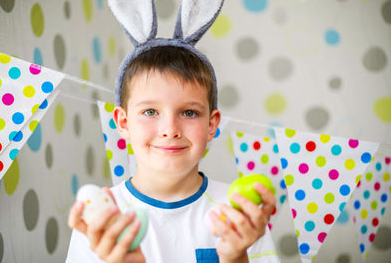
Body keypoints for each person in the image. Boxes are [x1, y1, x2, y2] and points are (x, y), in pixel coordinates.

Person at [66, 46, 280, 263]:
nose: (170, 129)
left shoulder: (239, 215)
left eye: (189, 113)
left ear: (211, 125)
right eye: (150, 112)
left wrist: (236, 259)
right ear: (123, 122)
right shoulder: (100, 222)